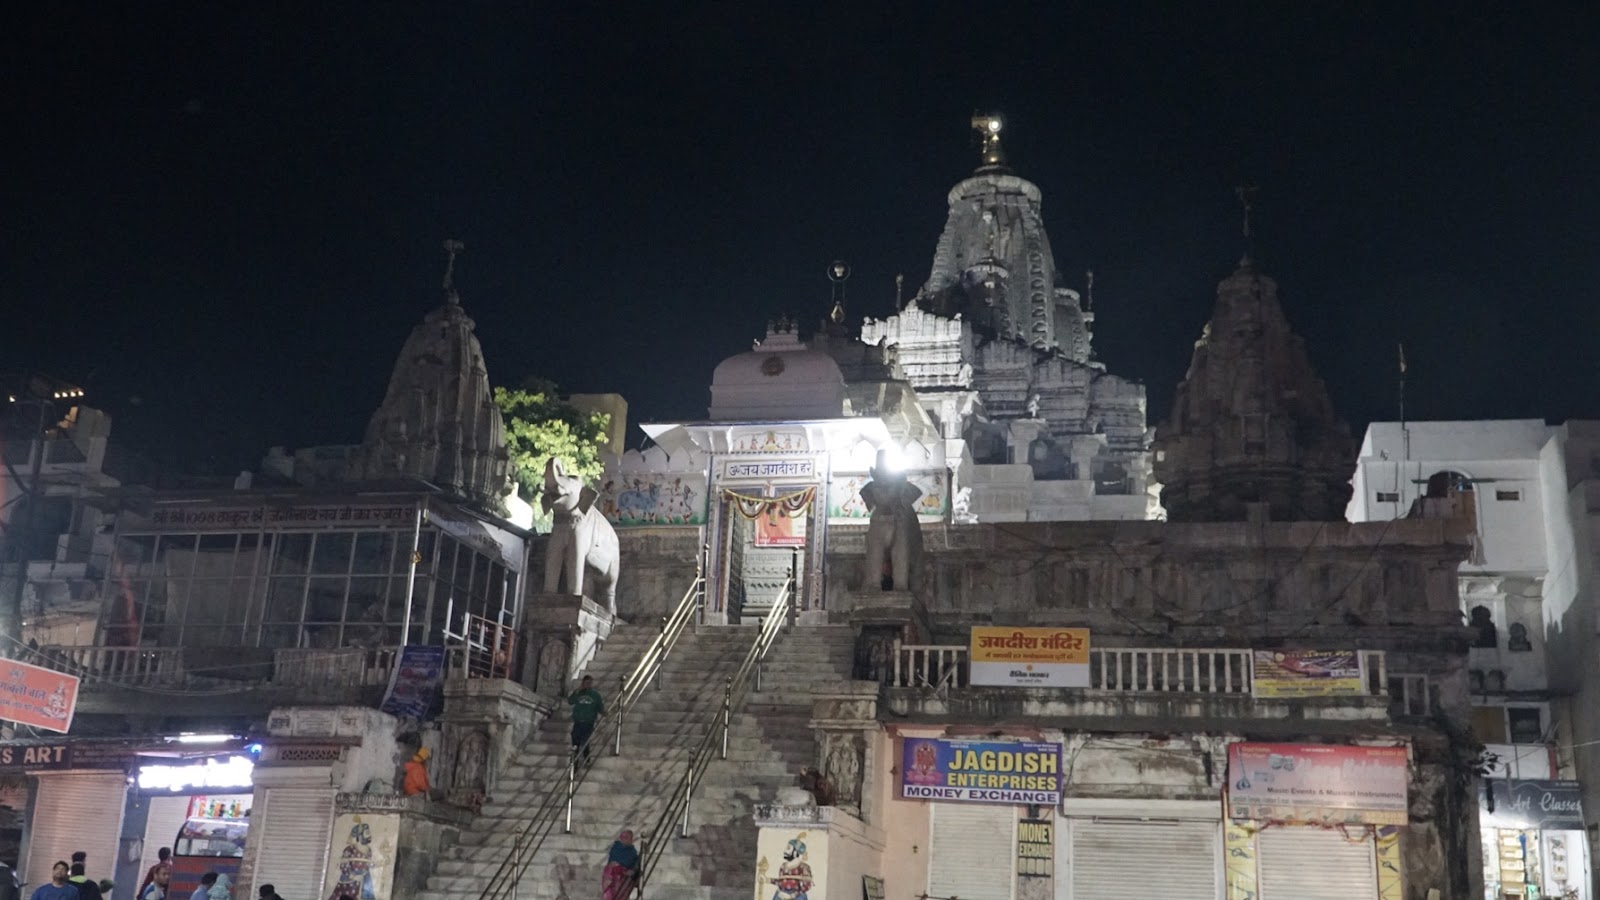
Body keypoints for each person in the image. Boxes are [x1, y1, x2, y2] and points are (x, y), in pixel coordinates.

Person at [568, 675, 604, 762]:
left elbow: (600, 707)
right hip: (578, 721)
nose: (588, 685)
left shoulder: (595, 695)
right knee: (575, 740)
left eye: (590, 683)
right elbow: (570, 701)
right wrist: (577, 691)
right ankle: (575, 762)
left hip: (588, 722)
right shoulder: (578, 693)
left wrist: (604, 713)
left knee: (585, 740)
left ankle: (586, 759)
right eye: (586, 683)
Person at [601, 830, 639, 900]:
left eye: (627, 837)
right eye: (623, 837)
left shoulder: (633, 852)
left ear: (631, 839)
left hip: (625, 877)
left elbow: (635, 864)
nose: (624, 839)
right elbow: (613, 862)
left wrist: (632, 871)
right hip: (613, 876)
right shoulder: (616, 847)